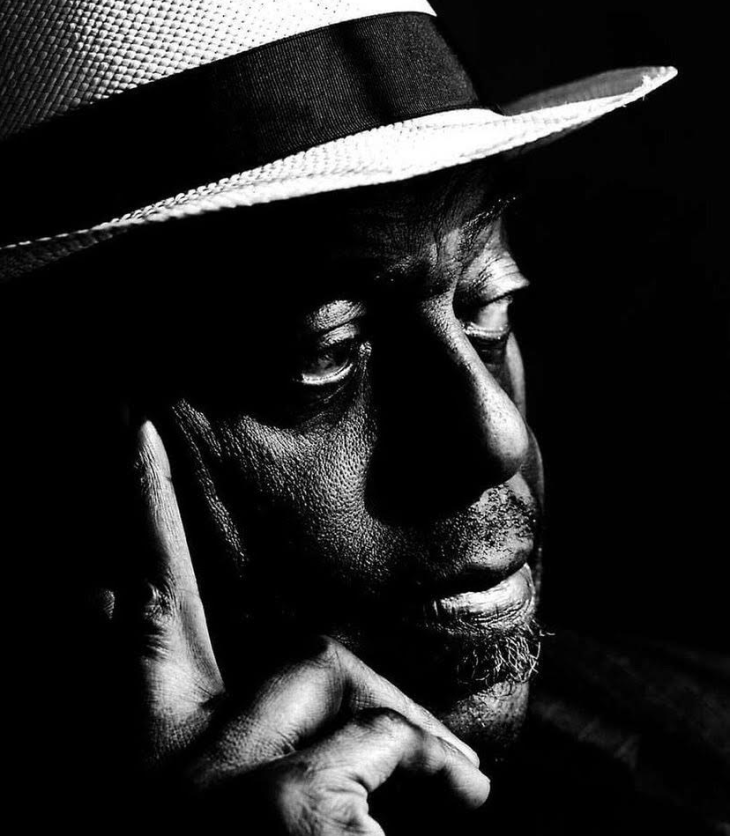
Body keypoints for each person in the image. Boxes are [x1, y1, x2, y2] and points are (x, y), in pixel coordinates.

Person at [1, 1, 700, 834]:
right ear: (48, 441)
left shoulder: (698, 741)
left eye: (489, 309)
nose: (497, 437)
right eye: (323, 353)